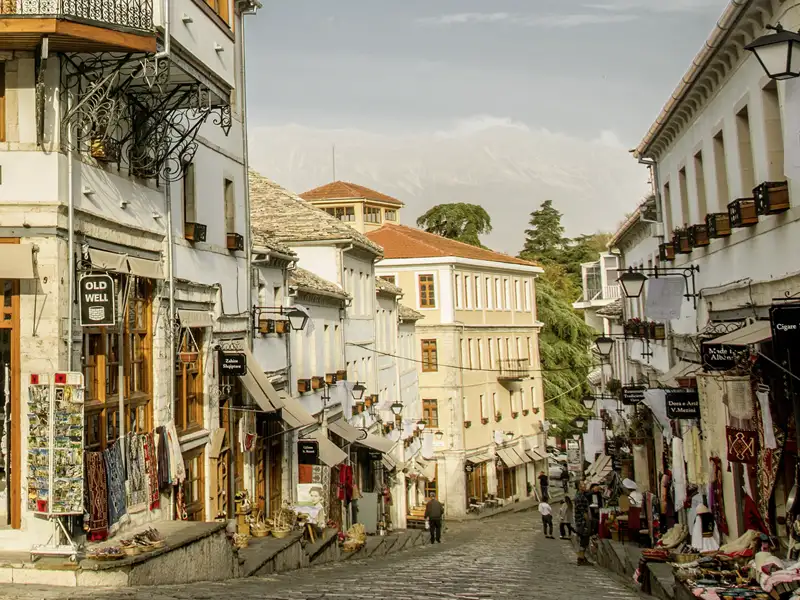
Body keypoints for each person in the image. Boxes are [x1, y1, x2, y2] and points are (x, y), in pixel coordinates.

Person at [574, 481, 592, 566]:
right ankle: (580, 558)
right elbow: (583, 511)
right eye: (583, 485)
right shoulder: (579, 497)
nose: (585, 486)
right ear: (579, 487)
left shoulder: (582, 495)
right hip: (582, 521)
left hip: (581, 521)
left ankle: (582, 557)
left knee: (584, 540)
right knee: (584, 540)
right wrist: (588, 521)